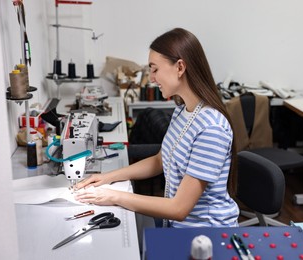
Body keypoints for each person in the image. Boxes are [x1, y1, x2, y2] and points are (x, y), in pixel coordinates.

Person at [75, 27, 239, 228]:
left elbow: (178, 209)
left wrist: (113, 196)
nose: (151, 78)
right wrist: (106, 178)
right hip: (176, 227)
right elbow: (160, 160)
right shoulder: (182, 110)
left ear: (180, 67)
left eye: (155, 69)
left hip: (205, 236)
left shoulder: (211, 129)